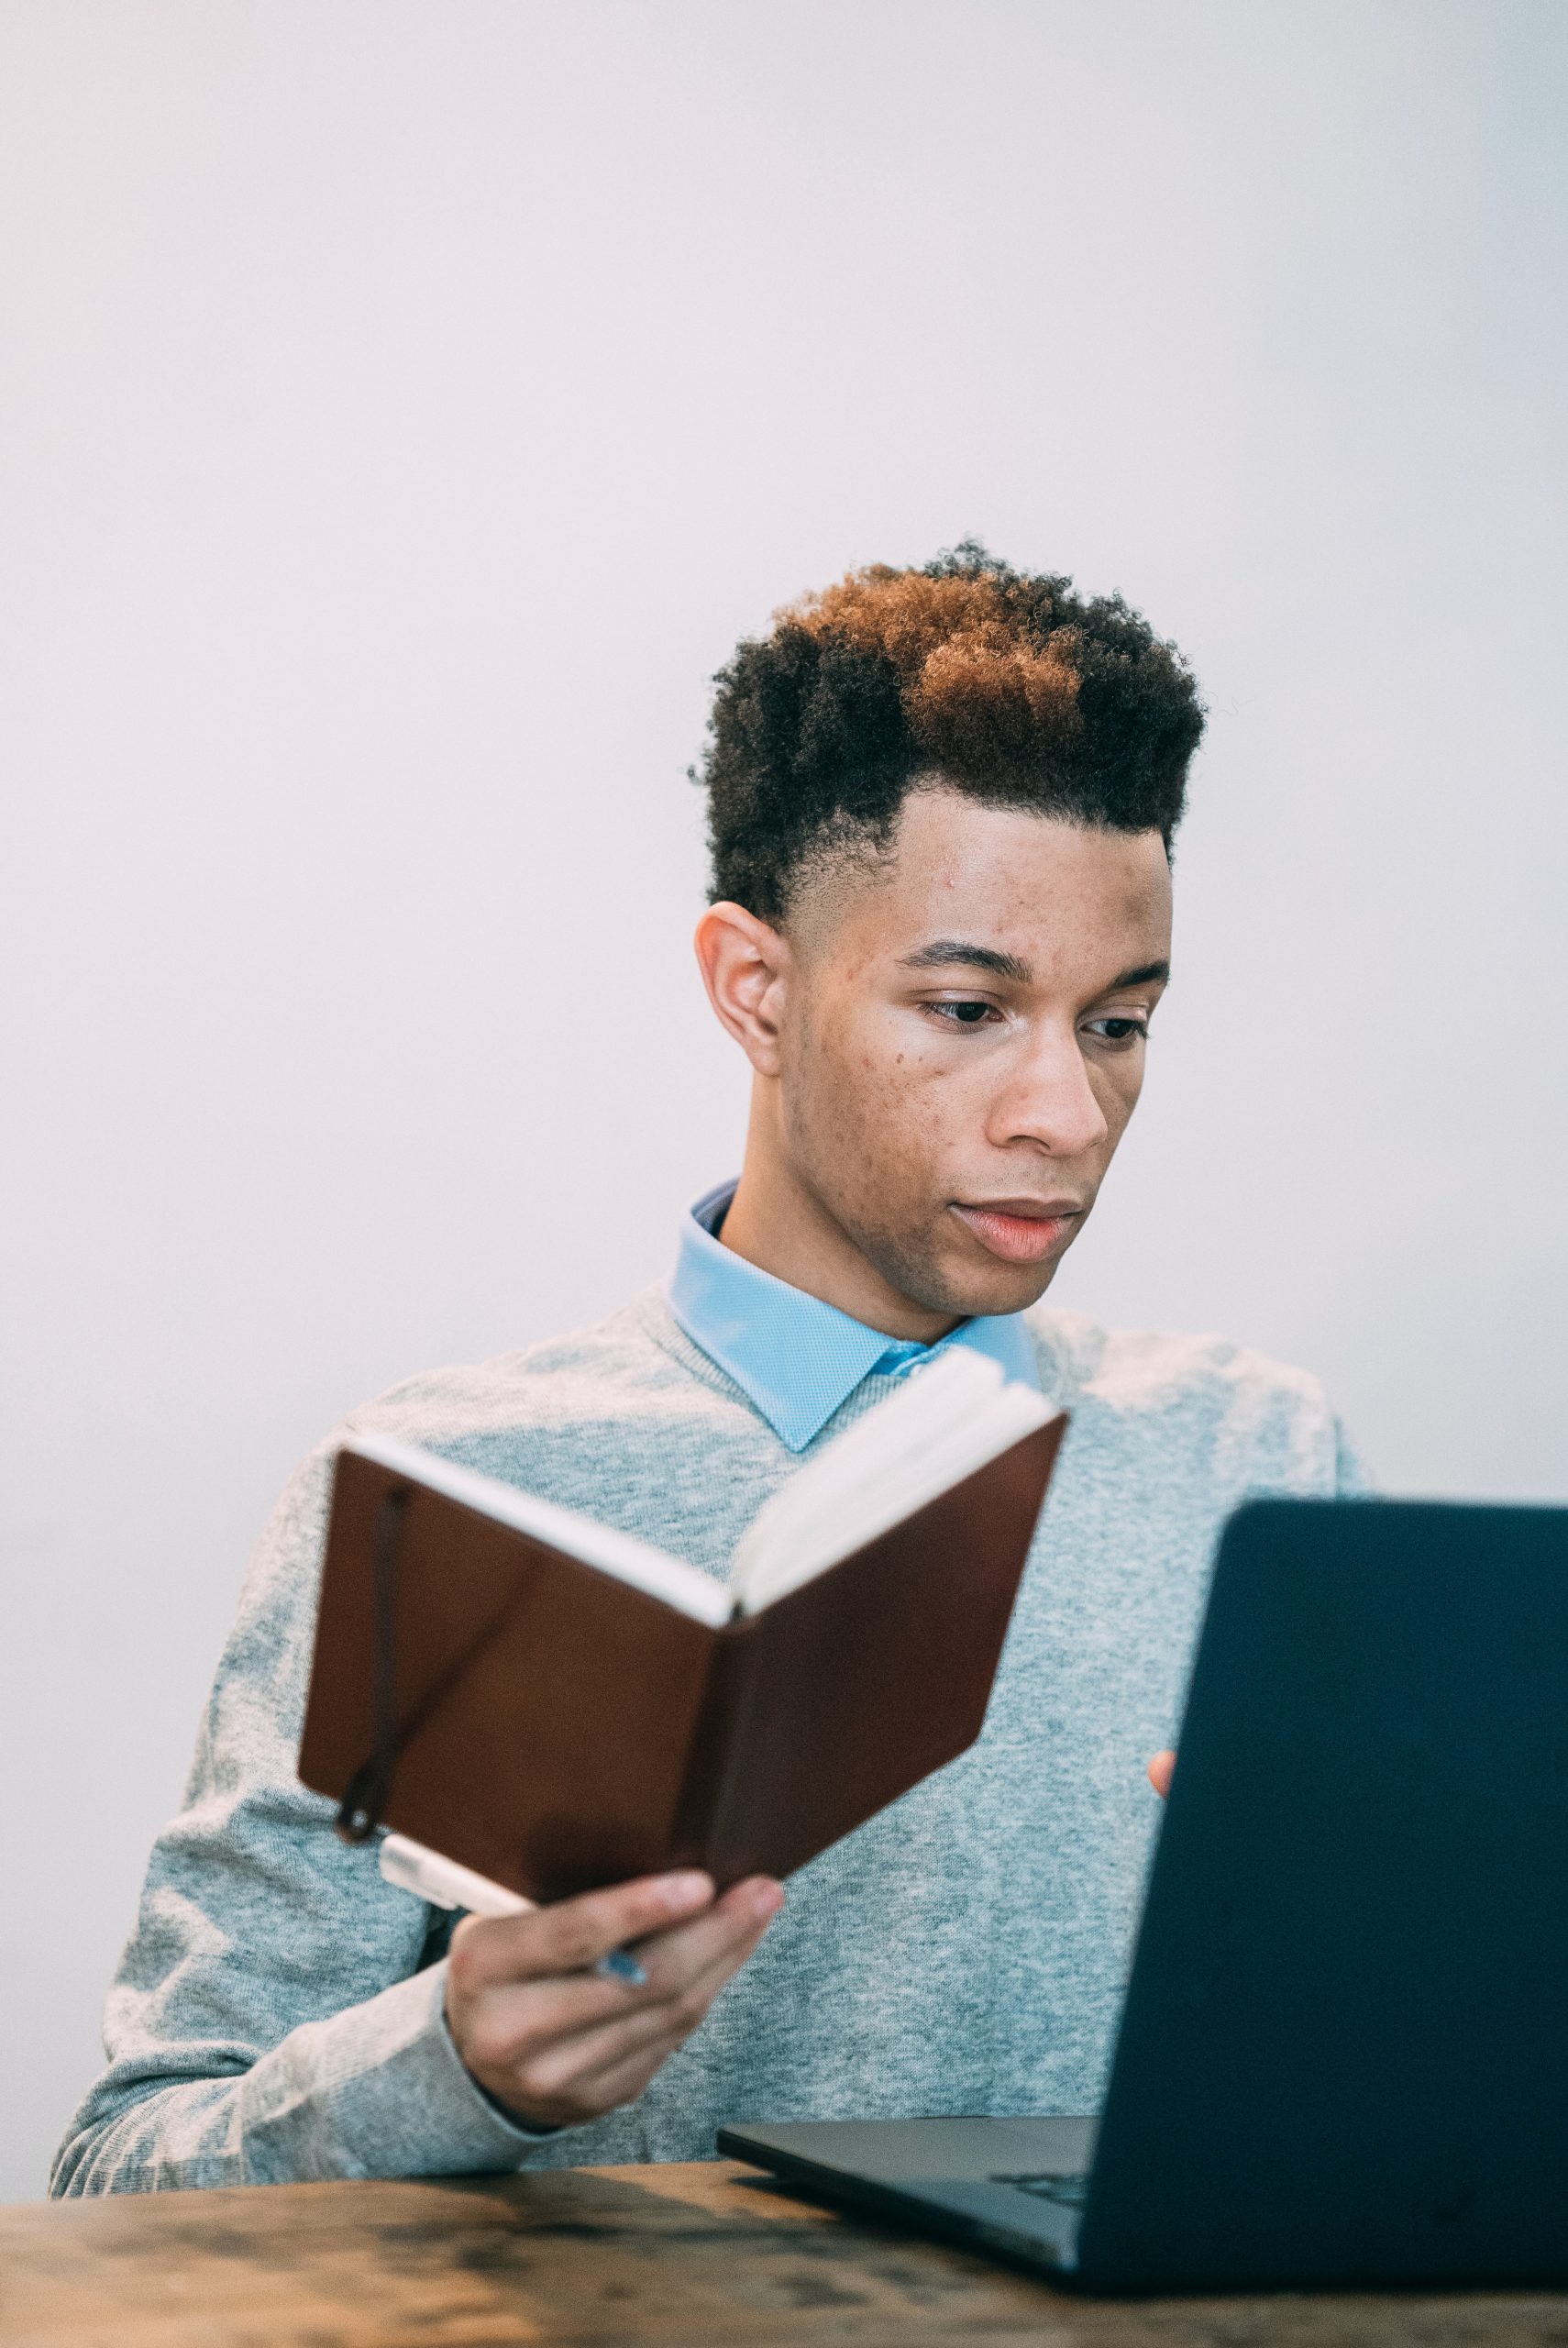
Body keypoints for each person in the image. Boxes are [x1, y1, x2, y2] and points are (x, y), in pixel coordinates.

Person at [52, 544, 1364, 2194]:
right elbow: (124, 2178)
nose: (1066, 1114)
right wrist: (450, 2068)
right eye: (967, 1007)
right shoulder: (444, 1492)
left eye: (1117, 1023)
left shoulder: (1249, 1455)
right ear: (756, 988)